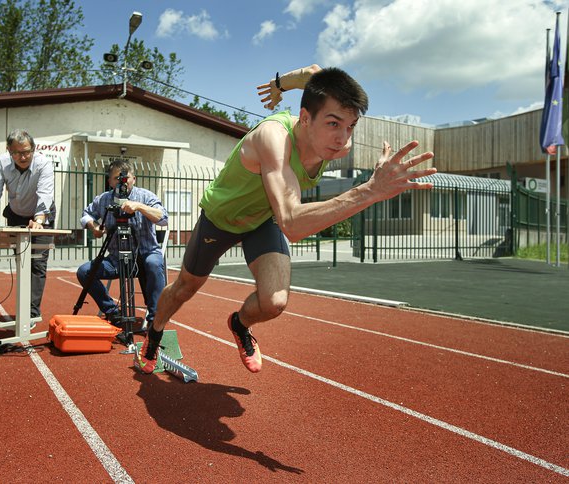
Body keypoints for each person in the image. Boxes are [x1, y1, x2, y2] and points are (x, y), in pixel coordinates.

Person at [137, 65, 437, 374]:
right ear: (305, 118)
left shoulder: (337, 139)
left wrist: (280, 84)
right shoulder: (272, 137)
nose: (342, 138)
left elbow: (314, 74)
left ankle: (240, 324)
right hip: (222, 218)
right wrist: (370, 191)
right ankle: (155, 331)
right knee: (185, 289)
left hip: (263, 220)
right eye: (334, 124)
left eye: (351, 126)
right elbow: (292, 223)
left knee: (274, 301)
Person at [76, 160, 168, 330]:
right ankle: (112, 312)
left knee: (154, 263)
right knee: (84, 271)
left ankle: (156, 319)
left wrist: (139, 207)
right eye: (117, 178)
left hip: (146, 254)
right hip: (117, 259)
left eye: (126, 178)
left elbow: (163, 218)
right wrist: (93, 226)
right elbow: (86, 214)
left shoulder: (146, 196)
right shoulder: (103, 199)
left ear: (134, 178)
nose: (122, 182)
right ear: (109, 181)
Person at [0, 129, 56, 320]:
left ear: (33, 148)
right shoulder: (1, 162)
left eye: (27, 151)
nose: (23, 156)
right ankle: (23, 306)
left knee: (37, 263)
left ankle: (31, 314)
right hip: (16, 214)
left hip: (42, 214)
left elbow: (46, 193)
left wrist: (39, 219)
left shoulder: (44, 163)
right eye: (17, 152)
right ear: (9, 150)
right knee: (22, 261)